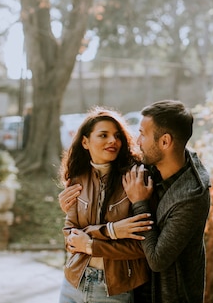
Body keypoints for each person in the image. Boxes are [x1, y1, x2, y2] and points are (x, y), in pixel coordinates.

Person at [58, 107, 154, 303]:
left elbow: (143, 247)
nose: (113, 141)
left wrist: (92, 245)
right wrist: (111, 231)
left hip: (114, 290)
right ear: (85, 142)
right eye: (104, 135)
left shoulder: (135, 179)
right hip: (73, 284)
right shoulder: (78, 179)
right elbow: (71, 238)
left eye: (117, 136)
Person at [122, 100, 211, 303]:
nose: (138, 141)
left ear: (165, 142)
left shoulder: (192, 196)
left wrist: (139, 203)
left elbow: (157, 259)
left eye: (143, 134)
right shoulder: (152, 170)